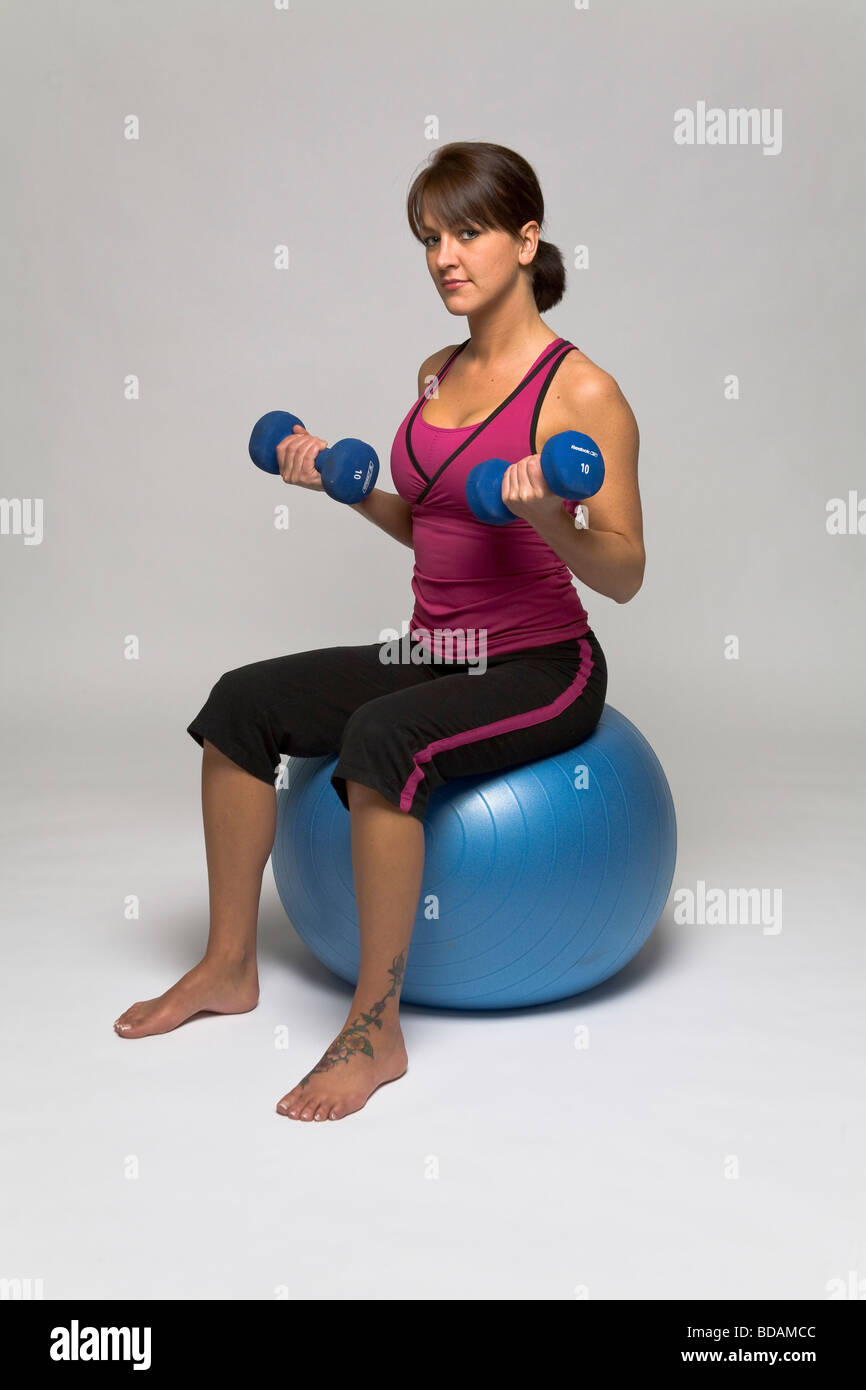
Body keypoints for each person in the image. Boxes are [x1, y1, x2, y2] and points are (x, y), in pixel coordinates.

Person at [113, 140, 645, 1123]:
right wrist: (347, 489)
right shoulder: (435, 369)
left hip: (542, 662)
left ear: (525, 238)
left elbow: (623, 571)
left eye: (469, 230)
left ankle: (374, 1029)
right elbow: (432, 520)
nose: (446, 255)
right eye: (429, 237)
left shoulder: (580, 393)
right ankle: (229, 962)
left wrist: (544, 518)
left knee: (380, 740)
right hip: (437, 646)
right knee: (240, 701)